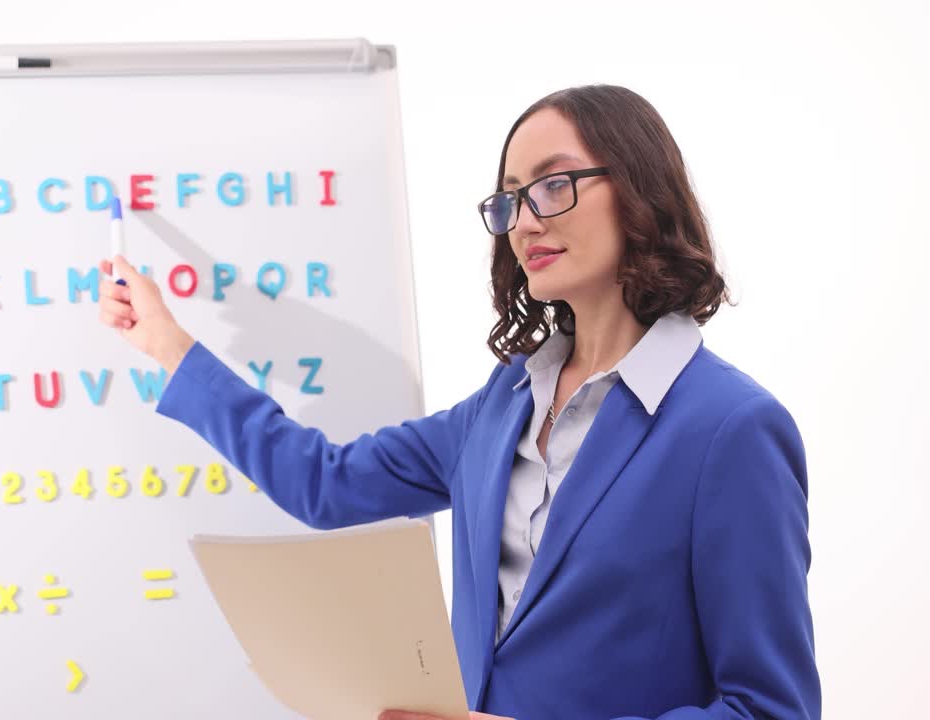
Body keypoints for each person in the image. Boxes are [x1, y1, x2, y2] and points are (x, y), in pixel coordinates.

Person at [96, 84, 821, 720]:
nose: (526, 221)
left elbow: (770, 710)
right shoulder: (503, 404)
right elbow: (323, 484)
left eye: (553, 185)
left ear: (638, 191)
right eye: (511, 198)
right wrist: (170, 345)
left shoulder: (731, 430)